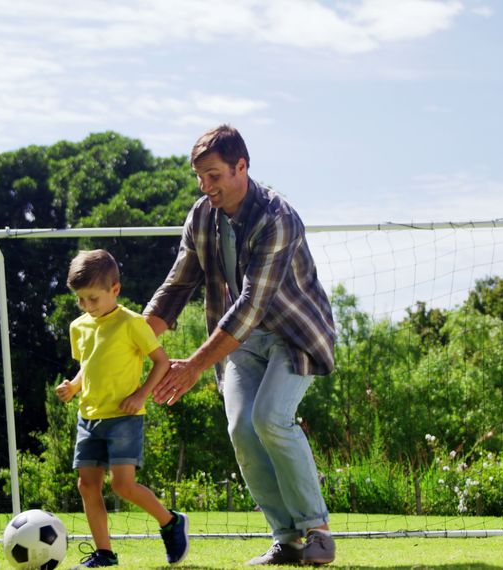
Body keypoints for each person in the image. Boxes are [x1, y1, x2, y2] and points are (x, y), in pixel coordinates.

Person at [143, 125, 338, 566]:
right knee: (241, 430)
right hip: (241, 341)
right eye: (200, 178)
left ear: (241, 167)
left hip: (294, 334)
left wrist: (191, 365)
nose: (205, 187)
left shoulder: (277, 217)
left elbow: (251, 305)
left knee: (270, 418)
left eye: (213, 176)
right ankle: (286, 540)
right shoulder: (200, 217)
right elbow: (176, 287)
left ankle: (317, 532)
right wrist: (131, 341)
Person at [55, 249, 189, 568]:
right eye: (81, 300)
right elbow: (90, 365)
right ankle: (105, 553)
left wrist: (142, 395)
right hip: (88, 417)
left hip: (124, 418)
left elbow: (160, 361)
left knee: (122, 485)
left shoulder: (132, 323)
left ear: (115, 290)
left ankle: (170, 521)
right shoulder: (79, 326)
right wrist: (74, 386)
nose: (87, 306)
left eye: (93, 299)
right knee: (87, 485)